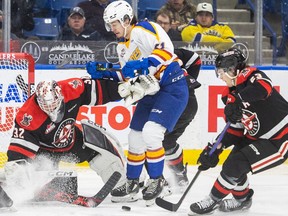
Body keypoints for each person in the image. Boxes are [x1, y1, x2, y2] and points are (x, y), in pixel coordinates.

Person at [93, 0, 189, 205]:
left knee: (152, 133)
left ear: (127, 19)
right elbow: (128, 76)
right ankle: (133, 182)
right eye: (110, 24)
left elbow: (167, 50)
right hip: (149, 91)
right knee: (135, 136)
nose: (112, 28)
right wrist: (105, 71)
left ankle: (157, 181)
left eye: (115, 23)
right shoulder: (121, 46)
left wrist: (145, 63)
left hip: (172, 87)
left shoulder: (143, 28)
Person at [188, 48, 288, 215]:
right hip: (256, 136)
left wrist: (239, 100)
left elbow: (264, 89)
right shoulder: (228, 96)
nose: (219, 77)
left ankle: (213, 200)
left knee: (236, 164)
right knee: (231, 163)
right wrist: (215, 148)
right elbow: (235, 129)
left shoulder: (253, 76)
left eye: (221, 72)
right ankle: (243, 200)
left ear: (232, 69)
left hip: (279, 139)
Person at [4, 77, 127, 205]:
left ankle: (121, 186)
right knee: (34, 174)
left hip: (72, 141)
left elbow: (100, 89)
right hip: (45, 151)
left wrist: (122, 89)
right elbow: (19, 152)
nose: (50, 108)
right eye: (45, 105)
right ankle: (44, 189)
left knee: (100, 150)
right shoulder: (28, 117)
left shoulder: (72, 88)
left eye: (53, 103)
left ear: (60, 95)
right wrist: (16, 170)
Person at [163, 48, 201, 187]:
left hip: (180, 105)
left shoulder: (163, 50)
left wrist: (187, 85)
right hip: (184, 105)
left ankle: (155, 180)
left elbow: (194, 58)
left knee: (150, 139)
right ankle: (179, 176)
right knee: (167, 141)